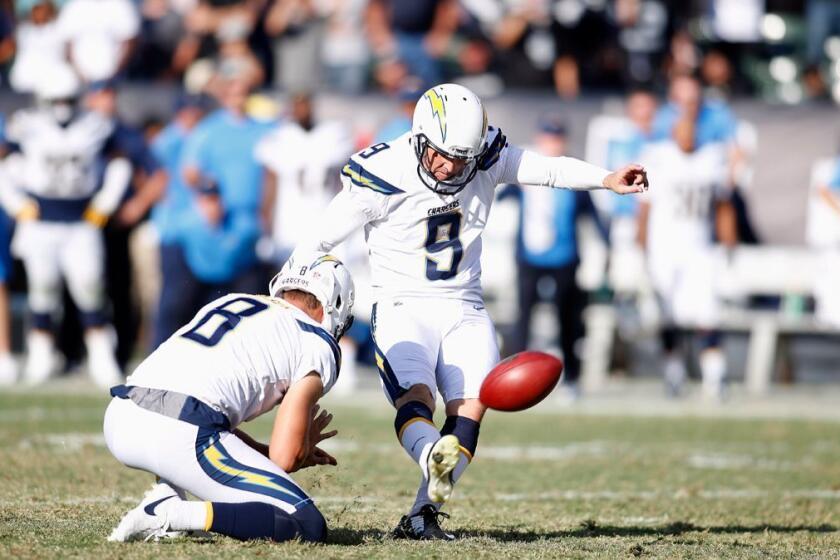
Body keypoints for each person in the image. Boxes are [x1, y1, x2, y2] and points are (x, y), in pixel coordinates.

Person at [295, 83, 647, 539]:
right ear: (420, 137)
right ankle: (429, 457)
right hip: (402, 303)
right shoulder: (383, 170)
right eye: (441, 154)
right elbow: (320, 238)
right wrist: (287, 291)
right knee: (416, 397)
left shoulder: (484, 153)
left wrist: (604, 178)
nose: (451, 166)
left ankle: (422, 516)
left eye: (462, 157)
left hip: (464, 302)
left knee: (472, 407)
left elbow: (543, 169)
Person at [104, 250, 353, 543]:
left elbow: (213, 417)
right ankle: (171, 513)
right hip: (178, 432)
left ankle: (166, 489)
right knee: (305, 522)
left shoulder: (234, 301)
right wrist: (300, 448)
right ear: (335, 305)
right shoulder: (316, 342)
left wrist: (261, 452)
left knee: (205, 429)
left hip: (121, 418)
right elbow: (285, 457)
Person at [0, 64, 129, 388]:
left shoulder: (96, 126)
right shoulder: (25, 126)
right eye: (56, 100)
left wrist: (105, 203)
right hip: (41, 219)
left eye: (68, 100)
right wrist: (16, 204)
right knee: (43, 289)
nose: (62, 107)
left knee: (89, 287)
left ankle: (101, 356)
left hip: (80, 219)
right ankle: (41, 354)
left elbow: (119, 164)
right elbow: (6, 166)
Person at [508, 115, 607, 402]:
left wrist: (606, 246)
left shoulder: (571, 176)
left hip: (565, 256)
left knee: (568, 319)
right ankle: (515, 378)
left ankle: (572, 378)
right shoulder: (524, 174)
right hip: (529, 255)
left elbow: (592, 215)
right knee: (523, 318)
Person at [637, 117, 736, 400]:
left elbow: (722, 203)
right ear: (672, 132)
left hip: (700, 248)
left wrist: (728, 242)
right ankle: (673, 373)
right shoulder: (657, 157)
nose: (689, 136)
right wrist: (641, 245)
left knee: (708, 313)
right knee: (668, 315)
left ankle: (715, 376)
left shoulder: (711, 159)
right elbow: (644, 207)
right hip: (664, 248)